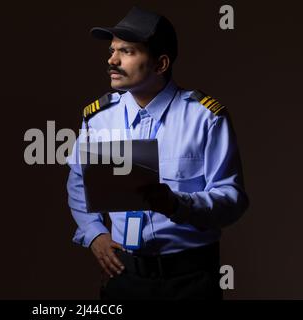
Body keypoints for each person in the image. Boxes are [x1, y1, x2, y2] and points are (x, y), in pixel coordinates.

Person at [66, 6, 249, 299]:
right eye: (112, 50)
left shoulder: (206, 118)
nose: (111, 60)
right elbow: (78, 182)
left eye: (126, 51)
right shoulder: (98, 118)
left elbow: (233, 199)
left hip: (189, 279)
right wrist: (95, 234)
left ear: (160, 64)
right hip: (123, 276)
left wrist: (178, 205)